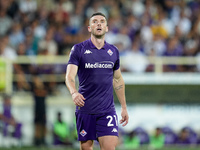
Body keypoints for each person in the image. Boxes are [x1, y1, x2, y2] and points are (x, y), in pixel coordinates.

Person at [65, 12, 129, 150]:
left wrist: (123, 107)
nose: (98, 23)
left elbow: (117, 79)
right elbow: (69, 76)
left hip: (107, 110)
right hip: (85, 109)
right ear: (89, 28)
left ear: (106, 28)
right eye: (94, 21)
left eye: (102, 21)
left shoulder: (113, 51)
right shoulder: (78, 49)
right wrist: (74, 92)